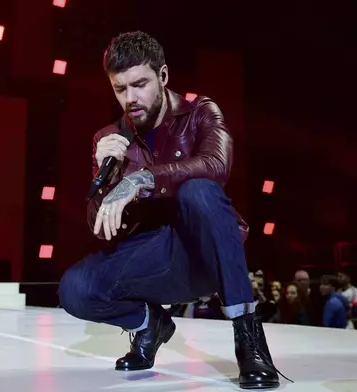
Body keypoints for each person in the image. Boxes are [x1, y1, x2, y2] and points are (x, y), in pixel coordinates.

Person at [58, 31, 284, 390]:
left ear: (163, 76)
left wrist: (142, 179)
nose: (130, 98)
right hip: (151, 256)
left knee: (199, 191)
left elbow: (216, 165)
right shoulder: (109, 138)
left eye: (140, 84)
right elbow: (100, 228)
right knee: (74, 288)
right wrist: (110, 176)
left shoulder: (200, 114)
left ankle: (250, 341)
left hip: (204, 249)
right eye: (120, 89)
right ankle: (149, 325)